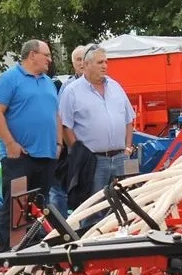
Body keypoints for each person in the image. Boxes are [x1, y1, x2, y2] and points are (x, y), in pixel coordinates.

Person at [0, 39, 61, 252]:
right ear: (32, 55)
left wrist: (58, 143)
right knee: (15, 207)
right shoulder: (9, 79)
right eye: (46, 55)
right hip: (19, 156)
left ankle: (33, 248)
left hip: (46, 154)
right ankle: (8, 251)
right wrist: (10, 143)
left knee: (39, 205)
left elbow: (56, 115)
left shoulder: (48, 82)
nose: (49, 59)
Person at [58, 45, 136, 210]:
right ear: (86, 65)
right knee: (93, 209)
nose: (105, 66)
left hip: (120, 158)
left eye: (106, 62)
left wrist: (128, 148)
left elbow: (129, 119)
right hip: (93, 162)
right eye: (100, 62)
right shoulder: (71, 91)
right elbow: (65, 126)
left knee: (124, 207)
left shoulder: (116, 87)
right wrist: (79, 153)